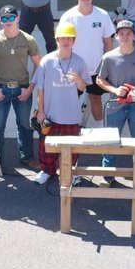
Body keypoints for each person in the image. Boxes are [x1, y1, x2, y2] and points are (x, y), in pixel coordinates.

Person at [0, 6, 41, 179]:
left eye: (11, 18)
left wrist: (30, 89)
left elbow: (39, 65)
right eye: (4, 19)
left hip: (22, 89)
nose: (8, 21)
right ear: (0, 21)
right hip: (1, 90)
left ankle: (27, 158)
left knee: (24, 125)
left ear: (18, 19)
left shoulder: (28, 39)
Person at [32, 23, 91, 185]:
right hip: (51, 113)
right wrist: (41, 112)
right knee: (46, 145)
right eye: (62, 38)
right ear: (57, 39)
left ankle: (69, 172)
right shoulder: (46, 61)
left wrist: (78, 80)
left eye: (69, 38)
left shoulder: (79, 61)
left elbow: (83, 86)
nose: (65, 41)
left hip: (71, 113)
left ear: (74, 40)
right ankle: (46, 170)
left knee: (72, 146)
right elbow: (41, 89)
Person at [96, 19, 135, 183]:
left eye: (128, 33)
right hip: (115, 106)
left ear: (134, 35)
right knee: (111, 141)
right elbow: (100, 80)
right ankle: (107, 177)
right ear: (117, 37)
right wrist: (114, 90)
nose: (125, 37)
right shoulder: (108, 57)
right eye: (121, 34)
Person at [58, 0, 114, 124]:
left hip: (96, 68)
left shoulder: (102, 14)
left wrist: (108, 65)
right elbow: (61, 43)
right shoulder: (68, 17)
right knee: (71, 100)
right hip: (73, 68)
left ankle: (100, 130)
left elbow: (108, 42)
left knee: (96, 98)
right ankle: (68, 130)